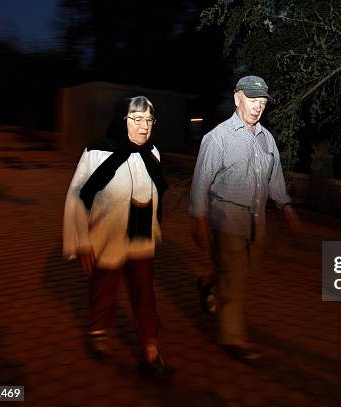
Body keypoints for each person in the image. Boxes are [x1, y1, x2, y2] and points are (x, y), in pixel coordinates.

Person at [189, 75, 300, 360]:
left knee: (238, 270)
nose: (258, 107)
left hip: (256, 222)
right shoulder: (217, 138)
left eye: (262, 102)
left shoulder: (267, 139)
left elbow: (274, 177)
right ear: (237, 98)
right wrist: (199, 219)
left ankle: (209, 282)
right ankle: (233, 340)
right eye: (253, 100)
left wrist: (285, 205)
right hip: (226, 219)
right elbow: (200, 182)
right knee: (235, 281)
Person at [62, 96, 174, 380]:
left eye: (149, 121)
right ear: (121, 120)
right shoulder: (98, 151)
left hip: (140, 236)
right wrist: (83, 240)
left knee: (144, 292)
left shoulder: (154, 153)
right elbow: (77, 196)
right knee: (104, 285)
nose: (144, 127)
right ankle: (97, 330)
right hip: (108, 233)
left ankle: (151, 349)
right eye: (137, 120)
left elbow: (157, 189)